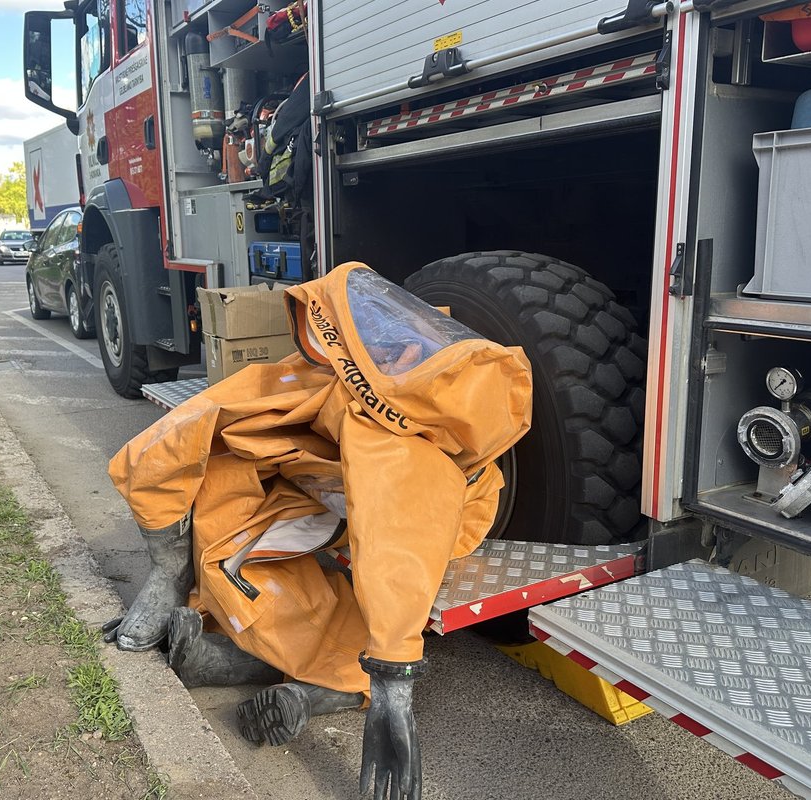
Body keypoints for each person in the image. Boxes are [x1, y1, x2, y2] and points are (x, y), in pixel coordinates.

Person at [104, 263, 532, 799]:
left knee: (380, 610)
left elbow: (399, 548)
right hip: (324, 488)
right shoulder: (330, 379)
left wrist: (393, 685)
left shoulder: (401, 452)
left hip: (413, 517)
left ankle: (325, 686)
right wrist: (168, 572)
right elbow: (174, 440)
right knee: (219, 514)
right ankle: (243, 653)